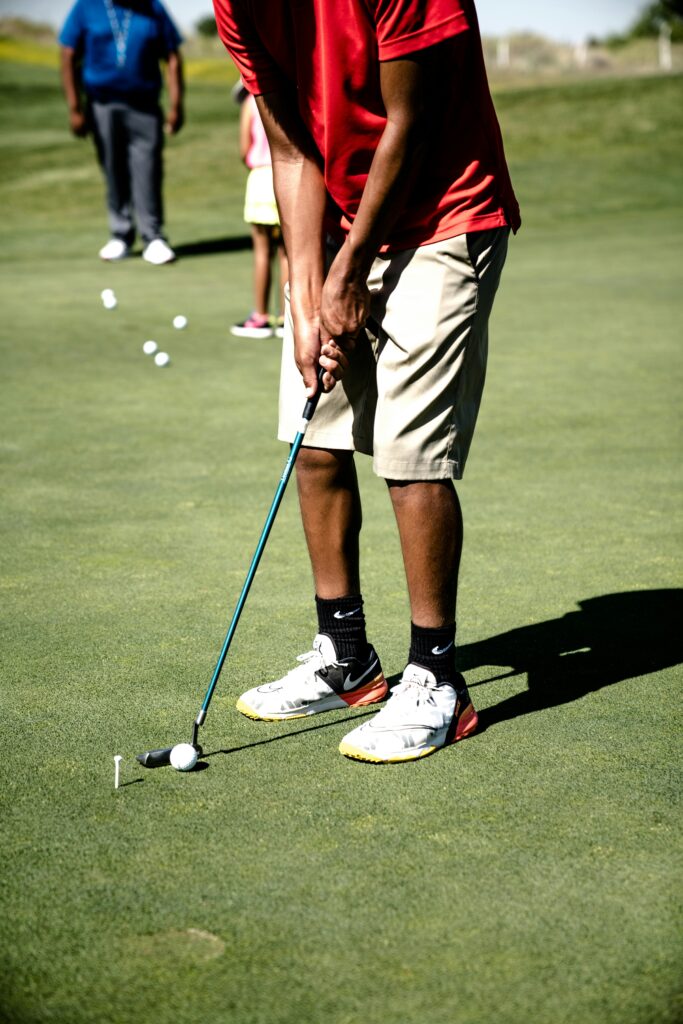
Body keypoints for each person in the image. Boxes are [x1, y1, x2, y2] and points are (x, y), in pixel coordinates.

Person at [213, 0, 521, 763]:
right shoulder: (234, 5)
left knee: (409, 455)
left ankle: (437, 681)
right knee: (314, 440)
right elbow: (289, 152)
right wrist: (305, 290)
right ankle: (346, 655)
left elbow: (407, 121)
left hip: (445, 213)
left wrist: (348, 272)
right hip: (341, 220)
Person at [59, 0, 184, 264]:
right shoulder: (86, 7)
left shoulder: (152, 8)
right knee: (113, 167)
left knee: (148, 168)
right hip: (101, 103)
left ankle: (153, 237)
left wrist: (176, 104)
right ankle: (120, 234)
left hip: (145, 104)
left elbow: (172, 55)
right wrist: (74, 107)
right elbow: (67, 53)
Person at [231, 88, 289, 339]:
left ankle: (261, 317)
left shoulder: (249, 104)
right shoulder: (288, 97)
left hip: (261, 180)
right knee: (288, 253)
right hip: (289, 178)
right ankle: (289, 319)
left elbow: (245, 149)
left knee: (262, 252)